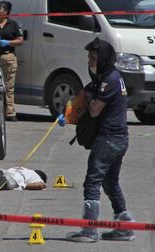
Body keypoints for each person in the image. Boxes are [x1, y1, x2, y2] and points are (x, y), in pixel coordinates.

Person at [59, 38, 134, 242]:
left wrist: (89, 96)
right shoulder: (110, 76)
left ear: (103, 59)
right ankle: (124, 226)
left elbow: (93, 111)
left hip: (109, 139)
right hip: (119, 138)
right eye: (89, 58)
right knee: (110, 183)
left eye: (93, 58)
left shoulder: (109, 80)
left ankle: (89, 229)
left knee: (92, 181)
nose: (90, 62)